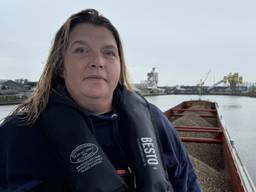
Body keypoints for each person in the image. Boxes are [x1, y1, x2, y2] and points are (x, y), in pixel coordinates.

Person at [0, 9, 201, 192]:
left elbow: (187, 182)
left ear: (120, 65)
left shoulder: (154, 121)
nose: (97, 61)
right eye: (81, 50)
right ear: (60, 66)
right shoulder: (20, 131)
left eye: (109, 53)